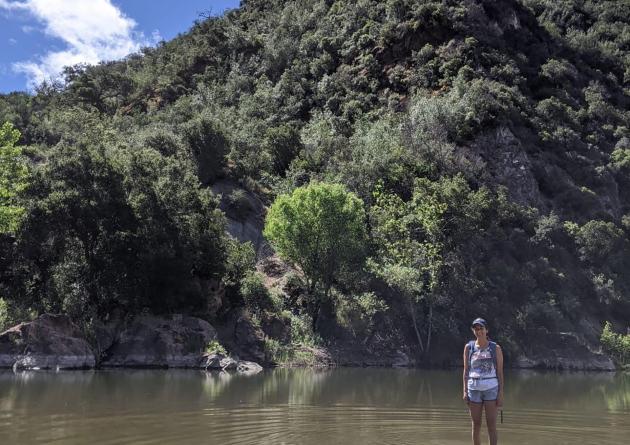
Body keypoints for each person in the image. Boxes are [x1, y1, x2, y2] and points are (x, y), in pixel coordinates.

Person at [463, 318, 504, 445]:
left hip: (491, 388)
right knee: (476, 425)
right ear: (473, 330)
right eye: (476, 328)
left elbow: (500, 373)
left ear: (486, 330)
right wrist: (465, 391)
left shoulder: (495, 348)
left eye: (481, 328)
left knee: (491, 425)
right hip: (473, 389)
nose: (479, 331)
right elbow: (465, 371)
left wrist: (500, 393)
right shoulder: (468, 348)